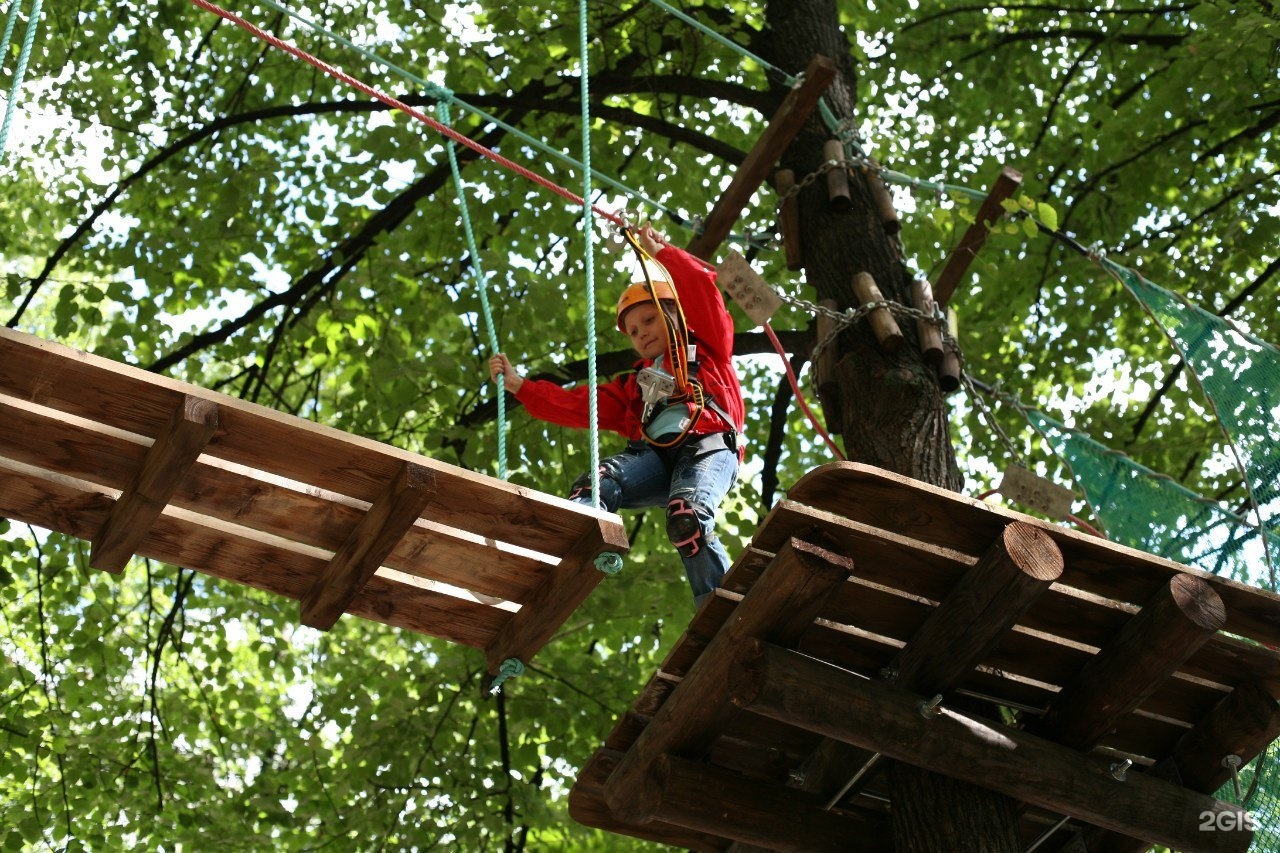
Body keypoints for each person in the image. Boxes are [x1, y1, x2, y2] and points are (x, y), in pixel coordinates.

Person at [488, 224, 745, 609]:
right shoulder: (634, 388)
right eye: (632, 331)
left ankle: (719, 607)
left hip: (706, 448)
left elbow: (704, 293)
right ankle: (571, 545)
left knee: (686, 518)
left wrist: (663, 255)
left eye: (648, 320)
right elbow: (578, 404)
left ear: (672, 313)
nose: (640, 333)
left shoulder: (707, 349)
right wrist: (520, 387)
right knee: (597, 482)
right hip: (654, 458)